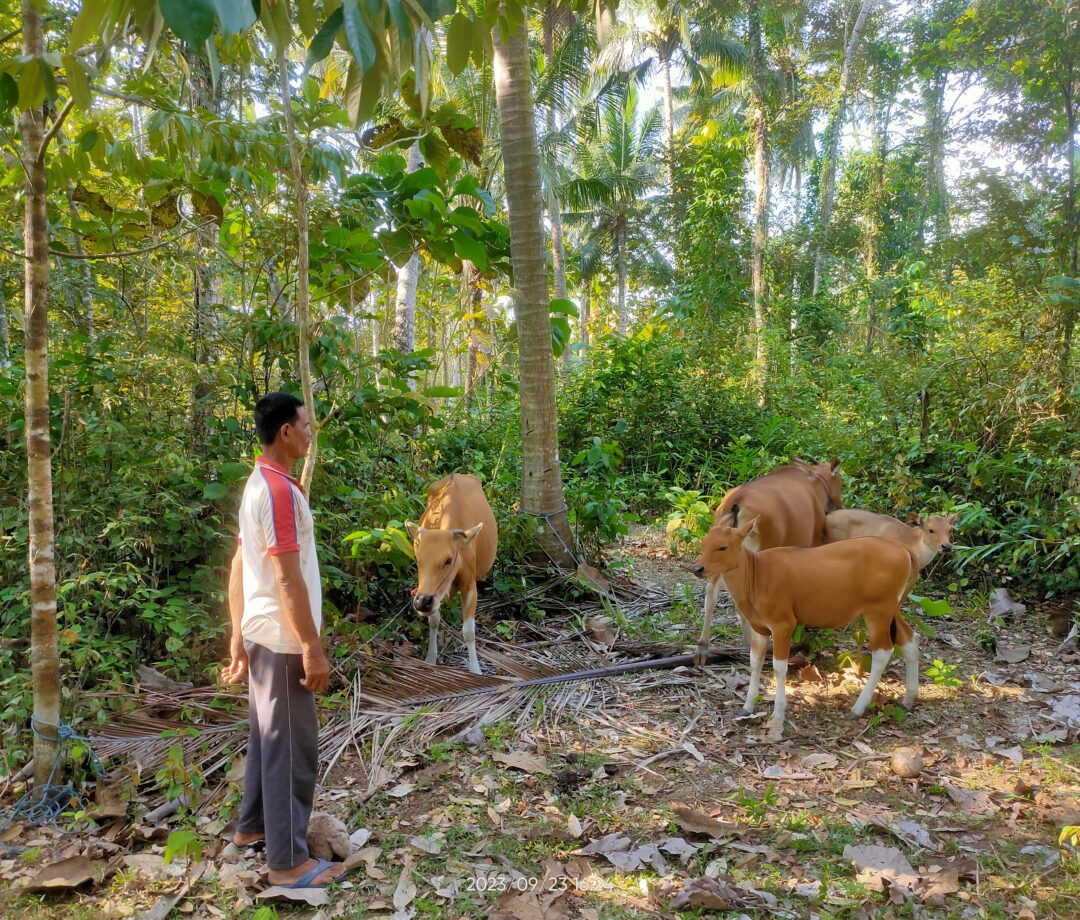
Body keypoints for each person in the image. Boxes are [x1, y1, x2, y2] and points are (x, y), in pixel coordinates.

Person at [222, 392, 344, 889]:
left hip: (260, 632)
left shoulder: (259, 485)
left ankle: (251, 830)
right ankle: (288, 863)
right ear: (286, 432)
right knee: (291, 747)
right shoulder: (277, 492)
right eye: (306, 424)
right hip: (282, 639)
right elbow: (289, 580)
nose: (311, 432)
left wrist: (236, 633)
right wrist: (312, 648)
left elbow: (238, 566)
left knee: (267, 739)